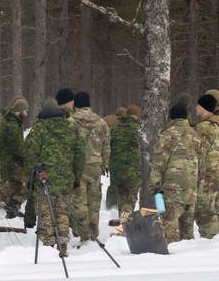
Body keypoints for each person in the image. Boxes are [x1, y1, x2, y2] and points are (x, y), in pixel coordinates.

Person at [24, 98, 85, 256]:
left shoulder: (39, 129)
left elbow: (30, 155)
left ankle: (48, 244)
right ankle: (63, 242)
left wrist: (29, 179)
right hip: (66, 180)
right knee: (62, 212)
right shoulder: (71, 128)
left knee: (46, 212)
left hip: (44, 179)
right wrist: (76, 177)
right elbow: (80, 155)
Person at [149, 104, 201, 244]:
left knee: (170, 223)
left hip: (173, 187)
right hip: (191, 188)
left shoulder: (168, 134)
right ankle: (188, 256)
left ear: (171, 117)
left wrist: (153, 185)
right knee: (187, 228)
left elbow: (159, 163)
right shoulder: (195, 135)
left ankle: (173, 257)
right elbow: (200, 163)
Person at [70, 91, 110, 242]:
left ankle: (84, 233)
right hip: (95, 166)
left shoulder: (71, 123)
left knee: (79, 201)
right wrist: (104, 164)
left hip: (78, 167)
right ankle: (94, 231)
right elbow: (106, 147)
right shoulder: (101, 122)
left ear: (75, 106)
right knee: (94, 201)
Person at [195, 93, 219, 238]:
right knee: (216, 207)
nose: (195, 108)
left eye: (198, 105)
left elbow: (198, 153)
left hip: (206, 176)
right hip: (217, 173)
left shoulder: (203, 127)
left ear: (204, 107)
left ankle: (211, 240)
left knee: (205, 212)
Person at [0, 96, 28, 218]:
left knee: (14, 182)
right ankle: (3, 199)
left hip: (9, 159)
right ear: (21, 110)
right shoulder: (13, 125)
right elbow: (17, 148)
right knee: (27, 180)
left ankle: (5, 200)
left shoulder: (11, 122)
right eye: (26, 111)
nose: (27, 114)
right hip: (12, 160)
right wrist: (27, 157)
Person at [110, 103, 141, 217]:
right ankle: (126, 221)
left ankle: (121, 221)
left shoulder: (116, 128)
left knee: (121, 197)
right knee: (130, 199)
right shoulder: (138, 130)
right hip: (133, 170)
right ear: (137, 116)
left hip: (117, 170)